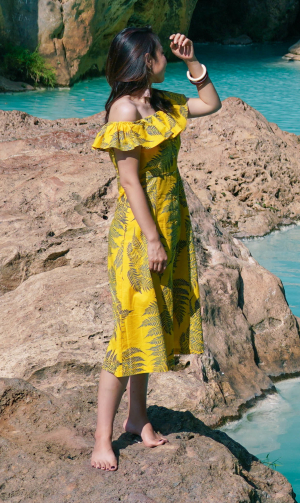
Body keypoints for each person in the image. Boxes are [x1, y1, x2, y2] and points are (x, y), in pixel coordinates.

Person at [88, 27, 220, 471]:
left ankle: (137, 417)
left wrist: (192, 63)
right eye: (162, 52)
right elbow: (129, 180)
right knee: (129, 333)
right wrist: (151, 238)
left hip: (170, 222)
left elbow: (210, 103)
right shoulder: (124, 111)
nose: (167, 55)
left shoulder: (159, 102)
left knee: (152, 326)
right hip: (139, 234)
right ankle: (101, 440)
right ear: (145, 60)